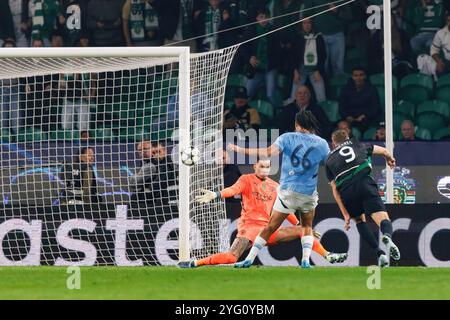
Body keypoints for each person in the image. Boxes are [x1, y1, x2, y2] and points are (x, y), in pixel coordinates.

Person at [179, 158, 347, 268]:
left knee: (302, 230)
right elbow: (233, 190)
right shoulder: (246, 179)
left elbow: (284, 208)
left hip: (267, 230)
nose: (265, 169)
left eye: (267, 167)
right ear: (255, 167)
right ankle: (194, 263)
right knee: (231, 258)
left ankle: (328, 255)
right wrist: (216, 194)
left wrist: (298, 224)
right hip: (249, 228)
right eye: (262, 166)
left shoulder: (275, 186)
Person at [229, 110, 330, 268]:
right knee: (306, 227)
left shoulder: (287, 137)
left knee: (270, 227)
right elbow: (330, 163)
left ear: (297, 124)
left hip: (287, 192)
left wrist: (241, 150)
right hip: (308, 193)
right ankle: (305, 261)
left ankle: (249, 259)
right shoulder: (322, 143)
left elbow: (267, 153)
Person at [325, 129, 401, 267]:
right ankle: (387, 237)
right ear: (348, 137)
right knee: (383, 218)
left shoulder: (329, 160)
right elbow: (384, 151)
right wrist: (389, 159)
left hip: (346, 190)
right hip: (364, 182)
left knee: (360, 220)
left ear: (334, 144)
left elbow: (335, 189)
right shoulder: (358, 144)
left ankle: (379, 254)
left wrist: (345, 214)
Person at [241, 7, 281, 107]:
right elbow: (242, 47)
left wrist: (270, 62)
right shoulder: (251, 30)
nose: (263, 19)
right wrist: (250, 58)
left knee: (270, 95)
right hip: (255, 69)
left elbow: (278, 52)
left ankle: (274, 116)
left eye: (266, 17)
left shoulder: (273, 30)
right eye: (261, 17)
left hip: (269, 68)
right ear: (257, 18)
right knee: (246, 94)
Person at [288, 18, 327, 103]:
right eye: (304, 23)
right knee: (293, 98)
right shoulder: (298, 37)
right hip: (300, 70)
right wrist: (295, 72)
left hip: (315, 71)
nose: (307, 25)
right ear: (301, 25)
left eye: (309, 22)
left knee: (321, 98)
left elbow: (323, 55)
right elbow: (293, 56)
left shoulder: (318, 37)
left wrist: (317, 70)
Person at [339, 66, 381, 133]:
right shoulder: (345, 90)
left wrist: (364, 116)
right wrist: (347, 116)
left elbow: (375, 108)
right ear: (352, 77)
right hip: (350, 119)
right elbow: (342, 108)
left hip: (367, 119)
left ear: (365, 76)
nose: (358, 78)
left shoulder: (372, 90)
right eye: (355, 75)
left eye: (361, 75)